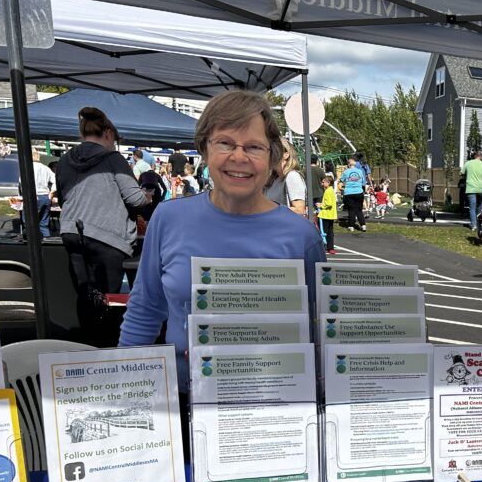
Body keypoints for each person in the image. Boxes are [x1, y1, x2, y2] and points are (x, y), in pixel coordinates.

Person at [119, 90, 326, 396]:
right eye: (225, 143)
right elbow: (145, 309)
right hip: (182, 400)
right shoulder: (169, 218)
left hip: (272, 407)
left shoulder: (302, 237)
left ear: (271, 158)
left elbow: (319, 331)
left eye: (254, 147)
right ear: (204, 149)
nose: (239, 157)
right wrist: (126, 386)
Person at [55, 106, 149, 329]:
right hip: (106, 236)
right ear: (108, 134)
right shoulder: (113, 158)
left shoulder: (65, 160)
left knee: (85, 295)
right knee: (107, 299)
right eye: (114, 140)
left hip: (72, 232)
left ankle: (86, 344)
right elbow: (135, 199)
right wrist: (147, 195)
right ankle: (104, 351)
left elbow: (62, 197)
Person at [265, 137, 307, 215]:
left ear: (286, 155)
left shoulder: (292, 176)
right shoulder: (273, 179)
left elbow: (299, 210)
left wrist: (269, 210)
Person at [460, 151, 482, 234]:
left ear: (474, 156)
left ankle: (474, 225)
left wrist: (466, 177)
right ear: (481, 157)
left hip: (470, 188)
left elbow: (461, 173)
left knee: (472, 207)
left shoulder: (468, 163)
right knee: (481, 205)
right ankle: (479, 222)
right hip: (481, 188)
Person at [30, 149, 54, 238]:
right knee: (43, 223)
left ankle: (33, 241)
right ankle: (47, 241)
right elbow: (55, 179)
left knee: (30, 222)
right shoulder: (46, 168)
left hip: (33, 195)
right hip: (45, 196)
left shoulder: (28, 167)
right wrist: (51, 193)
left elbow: (22, 182)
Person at [339, 155, 367, 232]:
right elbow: (363, 182)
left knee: (351, 210)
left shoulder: (346, 172)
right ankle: (363, 225)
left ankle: (351, 225)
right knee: (359, 209)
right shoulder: (360, 171)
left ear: (348, 164)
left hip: (349, 192)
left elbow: (341, 180)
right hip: (358, 191)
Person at [316, 174, 337, 255]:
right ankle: (330, 247)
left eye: (323, 182)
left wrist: (320, 205)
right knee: (330, 232)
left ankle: (323, 247)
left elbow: (329, 203)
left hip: (326, 215)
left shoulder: (328, 191)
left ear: (328, 182)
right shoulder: (331, 190)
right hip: (330, 215)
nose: (322, 184)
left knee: (323, 232)